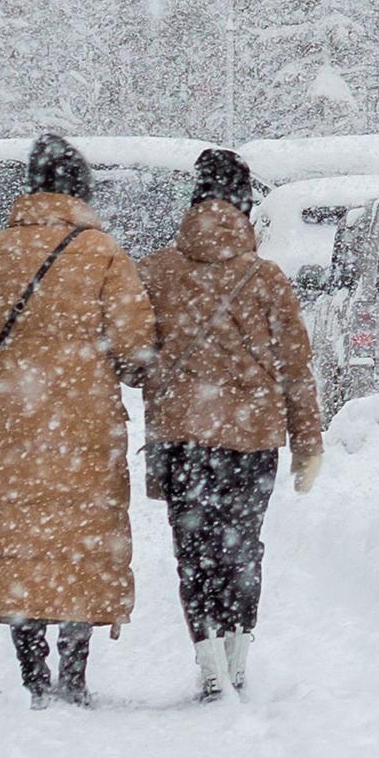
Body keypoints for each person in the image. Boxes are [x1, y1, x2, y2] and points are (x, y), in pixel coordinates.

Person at [0, 134, 156, 705]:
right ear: (81, 188)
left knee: (20, 539)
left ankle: (32, 672)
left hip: (10, 418)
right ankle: (75, 672)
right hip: (86, 419)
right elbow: (134, 347)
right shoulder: (104, 252)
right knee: (84, 538)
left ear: (31, 186)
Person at [135, 147, 325, 699]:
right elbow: (296, 369)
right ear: (245, 208)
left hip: (182, 439)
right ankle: (238, 657)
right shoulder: (268, 279)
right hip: (253, 438)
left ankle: (209, 662)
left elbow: (131, 357)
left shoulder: (155, 272)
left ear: (194, 204)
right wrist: (308, 442)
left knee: (194, 553)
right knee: (241, 547)